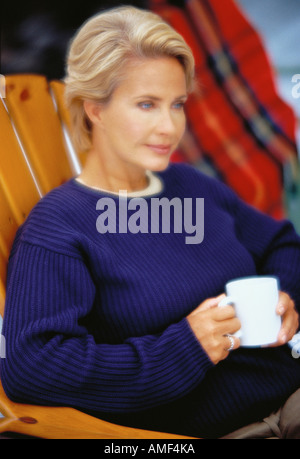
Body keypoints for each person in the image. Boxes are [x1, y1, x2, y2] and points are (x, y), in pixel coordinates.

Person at [1, 5, 300, 439]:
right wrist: (184, 349)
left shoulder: (189, 184)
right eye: (146, 104)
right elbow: (32, 368)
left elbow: (282, 242)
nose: (168, 126)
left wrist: (286, 297)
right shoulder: (59, 229)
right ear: (95, 110)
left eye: (176, 104)